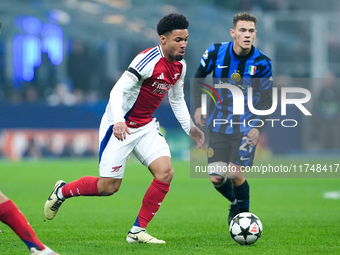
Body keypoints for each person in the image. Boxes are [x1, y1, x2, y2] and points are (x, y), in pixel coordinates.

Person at [44, 13, 204, 244]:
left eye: (186, 39)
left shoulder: (180, 66)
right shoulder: (147, 60)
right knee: (108, 187)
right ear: (163, 39)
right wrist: (118, 120)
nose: (183, 44)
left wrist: (190, 128)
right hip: (120, 125)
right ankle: (62, 191)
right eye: (178, 39)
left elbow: (177, 99)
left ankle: (137, 231)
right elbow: (117, 91)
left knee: (166, 173)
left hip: (146, 125)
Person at [193, 12, 273, 224]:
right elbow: (199, 77)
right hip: (218, 125)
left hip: (245, 127)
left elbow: (266, 100)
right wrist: (199, 106)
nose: (247, 35)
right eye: (242, 30)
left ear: (255, 34)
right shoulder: (216, 52)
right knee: (216, 178)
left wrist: (258, 127)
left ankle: (243, 218)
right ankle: (237, 205)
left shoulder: (263, 63)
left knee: (236, 174)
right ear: (233, 33)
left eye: (251, 31)